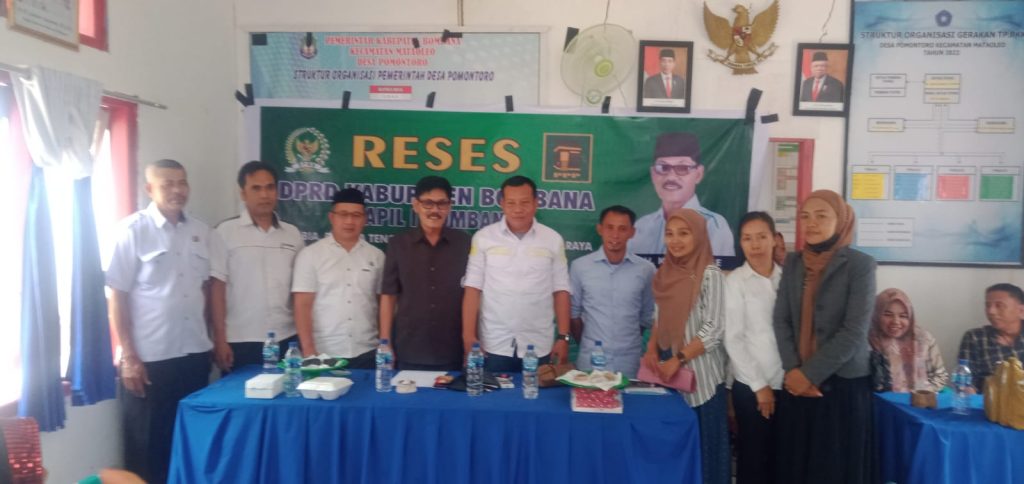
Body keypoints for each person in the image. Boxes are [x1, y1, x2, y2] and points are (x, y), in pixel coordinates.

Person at [105, 159, 215, 483]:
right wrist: (129, 356)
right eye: (168, 184)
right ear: (149, 189)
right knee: (147, 447)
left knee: (191, 441)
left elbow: (205, 290)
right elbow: (117, 296)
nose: (177, 190)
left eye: (182, 182)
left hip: (194, 354)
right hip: (149, 359)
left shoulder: (201, 232)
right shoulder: (132, 230)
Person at [772, 189, 876, 484]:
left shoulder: (860, 265)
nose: (811, 223)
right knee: (798, 465)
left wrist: (808, 375)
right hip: (797, 382)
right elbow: (781, 319)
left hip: (843, 385)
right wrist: (793, 370)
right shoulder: (793, 262)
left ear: (840, 220)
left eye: (821, 216)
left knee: (834, 468)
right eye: (805, 216)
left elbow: (854, 331)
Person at [641, 209, 729, 484]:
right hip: (668, 376)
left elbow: (714, 329)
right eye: (669, 234)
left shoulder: (710, 274)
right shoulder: (665, 272)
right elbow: (659, 317)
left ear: (699, 235)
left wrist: (678, 359)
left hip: (701, 379)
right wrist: (652, 349)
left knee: (704, 452)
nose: (675, 240)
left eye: (684, 233)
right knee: (676, 450)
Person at [463, 175, 572, 372]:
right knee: (491, 392)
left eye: (524, 202)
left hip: (538, 344)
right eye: (511, 203)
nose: (518, 209)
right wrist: (468, 336)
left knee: (538, 392)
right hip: (494, 344)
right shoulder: (484, 238)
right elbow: (472, 289)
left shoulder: (552, 239)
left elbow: (561, 290)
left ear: (536, 203)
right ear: (502, 204)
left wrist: (563, 336)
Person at [209, 161, 303, 372]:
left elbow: (299, 290)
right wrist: (219, 339)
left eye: (270, 187)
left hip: (286, 337)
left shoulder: (292, 234)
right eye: (256, 188)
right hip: (241, 339)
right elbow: (216, 289)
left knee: (287, 392)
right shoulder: (225, 232)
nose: (264, 195)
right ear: (243, 193)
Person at [380, 176, 470, 371]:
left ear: (449, 206)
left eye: (441, 203)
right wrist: (385, 342)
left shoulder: (464, 244)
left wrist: (470, 342)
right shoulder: (398, 244)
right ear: (416, 205)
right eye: (428, 203)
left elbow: (472, 296)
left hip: (452, 349)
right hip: (409, 348)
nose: (435, 210)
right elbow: (388, 296)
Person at [291, 188, 384, 368]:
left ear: (364, 219)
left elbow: (383, 305)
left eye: (356, 215)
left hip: (367, 351)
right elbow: (302, 306)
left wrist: (383, 344)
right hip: (324, 353)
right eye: (343, 214)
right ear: (331, 217)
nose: (349, 221)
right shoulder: (310, 255)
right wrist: (309, 351)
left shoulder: (377, 256)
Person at [724, 211, 783, 484]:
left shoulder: (788, 278)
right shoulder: (736, 281)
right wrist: (760, 386)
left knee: (783, 461)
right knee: (753, 462)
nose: (755, 244)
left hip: (789, 385)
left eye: (761, 237)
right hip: (751, 387)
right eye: (747, 238)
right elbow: (733, 339)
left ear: (774, 239)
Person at [569, 205, 656, 378]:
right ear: (599, 229)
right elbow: (574, 315)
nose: (615, 235)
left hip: (630, 362)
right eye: (610, 227)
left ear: (632, 232)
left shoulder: (646, 270)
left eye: (622, 229)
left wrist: (626, 343)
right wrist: (588, 344)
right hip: (591, 360)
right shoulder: (580, 267)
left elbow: (646, 316)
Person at [629, 132, 735, 257]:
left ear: (698, 174)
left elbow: (718, 269)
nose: (671, 177)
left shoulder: (713, 225)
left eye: (683, 168)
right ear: (653, 174)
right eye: (663, 168)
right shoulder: (642, 226)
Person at [869, 288, 949, 393]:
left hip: (919, 398)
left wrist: (922, 392)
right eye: (888, 315)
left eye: (903, 316)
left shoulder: (923, 339)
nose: (896, 321)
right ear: (876, 314)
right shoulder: (868, 341)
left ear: (910, 317)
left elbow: (940, 375)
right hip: (878, 400)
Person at [958, 283, 1024, 392]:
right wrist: (968, 389)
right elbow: (966, 380)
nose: (991, 311)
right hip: (987, 399)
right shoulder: (975, 338)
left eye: (999, 305)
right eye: (988, 305)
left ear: (1021, 311)